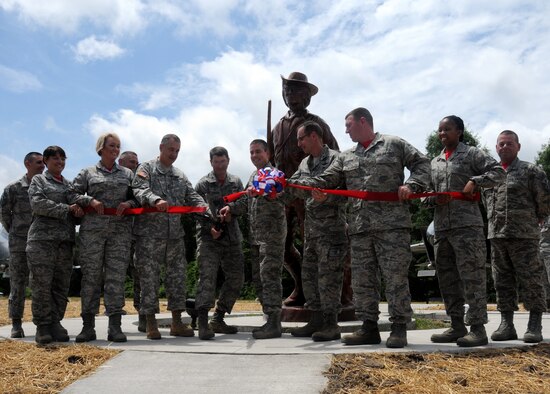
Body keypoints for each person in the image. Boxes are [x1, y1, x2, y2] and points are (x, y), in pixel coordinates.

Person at [293, 107, 431, 348]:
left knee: (395, 278)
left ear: (362, 121)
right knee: (362, 281)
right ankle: (369, 327)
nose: (345, 130)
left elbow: (421, 163)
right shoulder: (346, 157)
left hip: (392, 226)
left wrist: (414, 184)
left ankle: (399, 328)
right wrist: (290, 184)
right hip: (359, 229)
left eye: (348, 125)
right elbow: (326, 179)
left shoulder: (393, 144)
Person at [429, 115, 505, 347]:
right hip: (442, 229)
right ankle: (456, 325)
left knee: (472, 278)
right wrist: (434, 200)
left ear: (459, 131)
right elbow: (426, 194)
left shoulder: (472, 154)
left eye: (448, 129)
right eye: (440, 130)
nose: (443, 134)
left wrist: (475, 180)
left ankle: (478, 329)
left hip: (467, 228)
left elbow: (498, 173)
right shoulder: (435, 162)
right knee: (447, 279)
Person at [267, 72, 341, 307]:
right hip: (285, 195)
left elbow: (336, 158)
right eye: (288, 91)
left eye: (298, 91)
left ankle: (328, 297)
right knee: (282, 246)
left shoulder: (316, 123)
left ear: (307, 96)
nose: (292, 96)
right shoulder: (278, 126)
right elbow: (272, 161)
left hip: (312, 196)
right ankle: (301, 286)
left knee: (315, 246)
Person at [132, 134, 210, 340]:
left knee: (177, 279)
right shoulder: (146, 169)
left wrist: (205, 208)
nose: (174, 154)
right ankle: (150, 324)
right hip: (149, 236)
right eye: (171, 150)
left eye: (177, 151)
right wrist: (155, 199)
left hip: (174, 236)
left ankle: (177, 323)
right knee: (149, 279)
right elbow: (139, 190)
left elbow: (191, 195)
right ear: (161, 147)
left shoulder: (180, 175)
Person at [483, 130, 549, 343]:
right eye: (501, 144)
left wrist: (537, 219)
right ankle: (506, 324)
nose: (504, 147)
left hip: (524, 236)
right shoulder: (490, 175)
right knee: (501, 280)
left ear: (518, 147)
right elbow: (486, 203)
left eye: (509, 143)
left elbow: (544, 200)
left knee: (531, 279)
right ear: (496, 148)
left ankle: (534, 323)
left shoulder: (531, 171)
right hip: (497, 236)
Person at [71, 134, 137, 343]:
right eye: (111, 146)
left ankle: (115, 327)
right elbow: (71, 193)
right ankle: (87, 326)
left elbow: (139, 195)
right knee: (91, 277)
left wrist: (129, 204)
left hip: (119, 232)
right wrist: (90, 200)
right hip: (93, 232)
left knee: (115, 278)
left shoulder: (127, 174)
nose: (115, 149)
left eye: (118, 146)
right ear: (101, 148)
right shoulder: (88, 172)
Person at [286, 121, 348, 341]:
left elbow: (329, 183)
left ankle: (331, 324)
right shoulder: (305, 162)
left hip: (332, 232)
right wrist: (275, 188)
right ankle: (315, 320)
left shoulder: (336, 159)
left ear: (314, 136)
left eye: (301, 138)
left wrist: (300, 187)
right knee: (310, 277)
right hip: (312, 233)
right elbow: (294, 185)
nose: (299, 143)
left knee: (329, 279)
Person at [220, 139, 287, 339]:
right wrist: (230, 207)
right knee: (259, 280)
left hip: (272, 236)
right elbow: (245, 203)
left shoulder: (274, 174)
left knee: (270, 277)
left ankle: (275, 322)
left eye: (258, 151)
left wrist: (263, 190)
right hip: (256, 237)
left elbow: (279, 194)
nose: (254, 156)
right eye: (251, 153)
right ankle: (269, 318)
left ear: (267, 153)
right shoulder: (253, 176)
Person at [26, 146, 84, 344]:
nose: (59, 162)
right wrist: (67, 208)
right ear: (46, 160)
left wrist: (79, 213)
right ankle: (42, 326)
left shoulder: (68, 185)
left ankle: (55, 322)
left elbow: (76, 210)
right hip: (42, 241)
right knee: (42, 285)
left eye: (62, 158)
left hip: (65, 243)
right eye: (55, 158)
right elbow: (38, 204)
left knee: (60, 286)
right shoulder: (39, 180)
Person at [194, 147, 245, 340]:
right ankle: (202, 323)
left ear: (228, 161)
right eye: (216, 162)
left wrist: (232, 209)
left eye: (223, 161)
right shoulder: (202, 184)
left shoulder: (236, 182)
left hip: (232, 238)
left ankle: (218, 318)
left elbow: (244, 202)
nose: (220, 165)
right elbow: (195, 210)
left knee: (236, 278)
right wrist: (209, 228)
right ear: (211, 163)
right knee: (207, 279)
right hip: (209, 240)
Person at [0, 152, 45, 338]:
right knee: (17, 284)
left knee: (40, 284)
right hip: (19, 242)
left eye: (43, 163)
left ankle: (41, 323)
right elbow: (4, 215)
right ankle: (16, 324)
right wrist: (17, 232)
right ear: (27, 164)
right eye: (38, 162)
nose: (42, 166)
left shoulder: (46, 187)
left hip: (41, 243)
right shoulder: (14, 188)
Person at [118, 150, 145, 332]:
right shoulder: (115, 180)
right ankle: (115, 310)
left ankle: (142, 312)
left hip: (137, 234)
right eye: (131, 162)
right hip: (116, 234)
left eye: (136, 162)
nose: (134, 165)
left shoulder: (141, 182)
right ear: (121, 162)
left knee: (140, 276)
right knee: (116, 273)